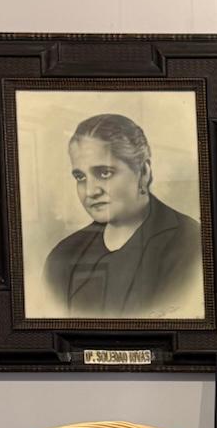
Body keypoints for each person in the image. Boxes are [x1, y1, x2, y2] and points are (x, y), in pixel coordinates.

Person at [42, 113, 203, 318]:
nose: (90, 191)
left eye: (104, 173)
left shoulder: (192, 244)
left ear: (143, 172)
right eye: (80, 177)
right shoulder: (62, 256)